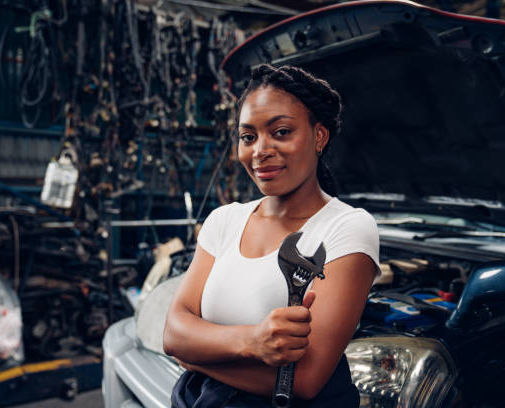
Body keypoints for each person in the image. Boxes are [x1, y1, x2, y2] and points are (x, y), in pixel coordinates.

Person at [163, 64, 380, 407]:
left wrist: (196, 357)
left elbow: (306, 380)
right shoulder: (224, 220)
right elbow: (173, 332)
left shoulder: (347, 226)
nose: (260, 150)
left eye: (280, 132)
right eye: (248, 137)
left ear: (319, 136)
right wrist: (253, 341)